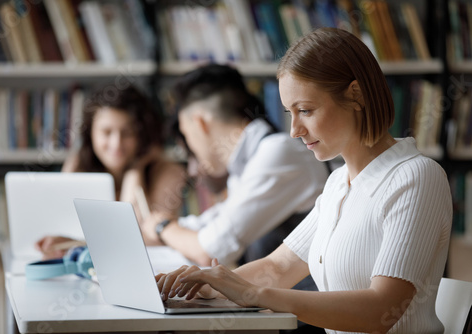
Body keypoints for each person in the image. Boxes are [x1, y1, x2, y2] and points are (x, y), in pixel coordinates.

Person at [156, 28, 452, 334]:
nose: (294, 130)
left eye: (306, 111)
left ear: (356, 94)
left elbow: (381, 311)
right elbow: (278, 267)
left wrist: (255, 295)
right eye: (290, 113)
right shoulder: (339, 183)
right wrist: (203, 284)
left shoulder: (416, 177)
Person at [142, 64, 329, 268]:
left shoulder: (279, 153)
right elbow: (214, 223)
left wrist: (162, 227)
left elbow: (210, 250)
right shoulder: (247, 162)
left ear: (200, 123)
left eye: (186, 135)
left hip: (307, 296)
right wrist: (160, 226)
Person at [36, 85, 186, 259]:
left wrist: (134, 170)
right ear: (90, 133)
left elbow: (143, 239)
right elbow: (63, 224)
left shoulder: (169, 171)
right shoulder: (78, 165)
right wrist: (68, 243)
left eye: (127, 133)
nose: (116, 144)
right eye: (106, 132)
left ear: (142, 135)